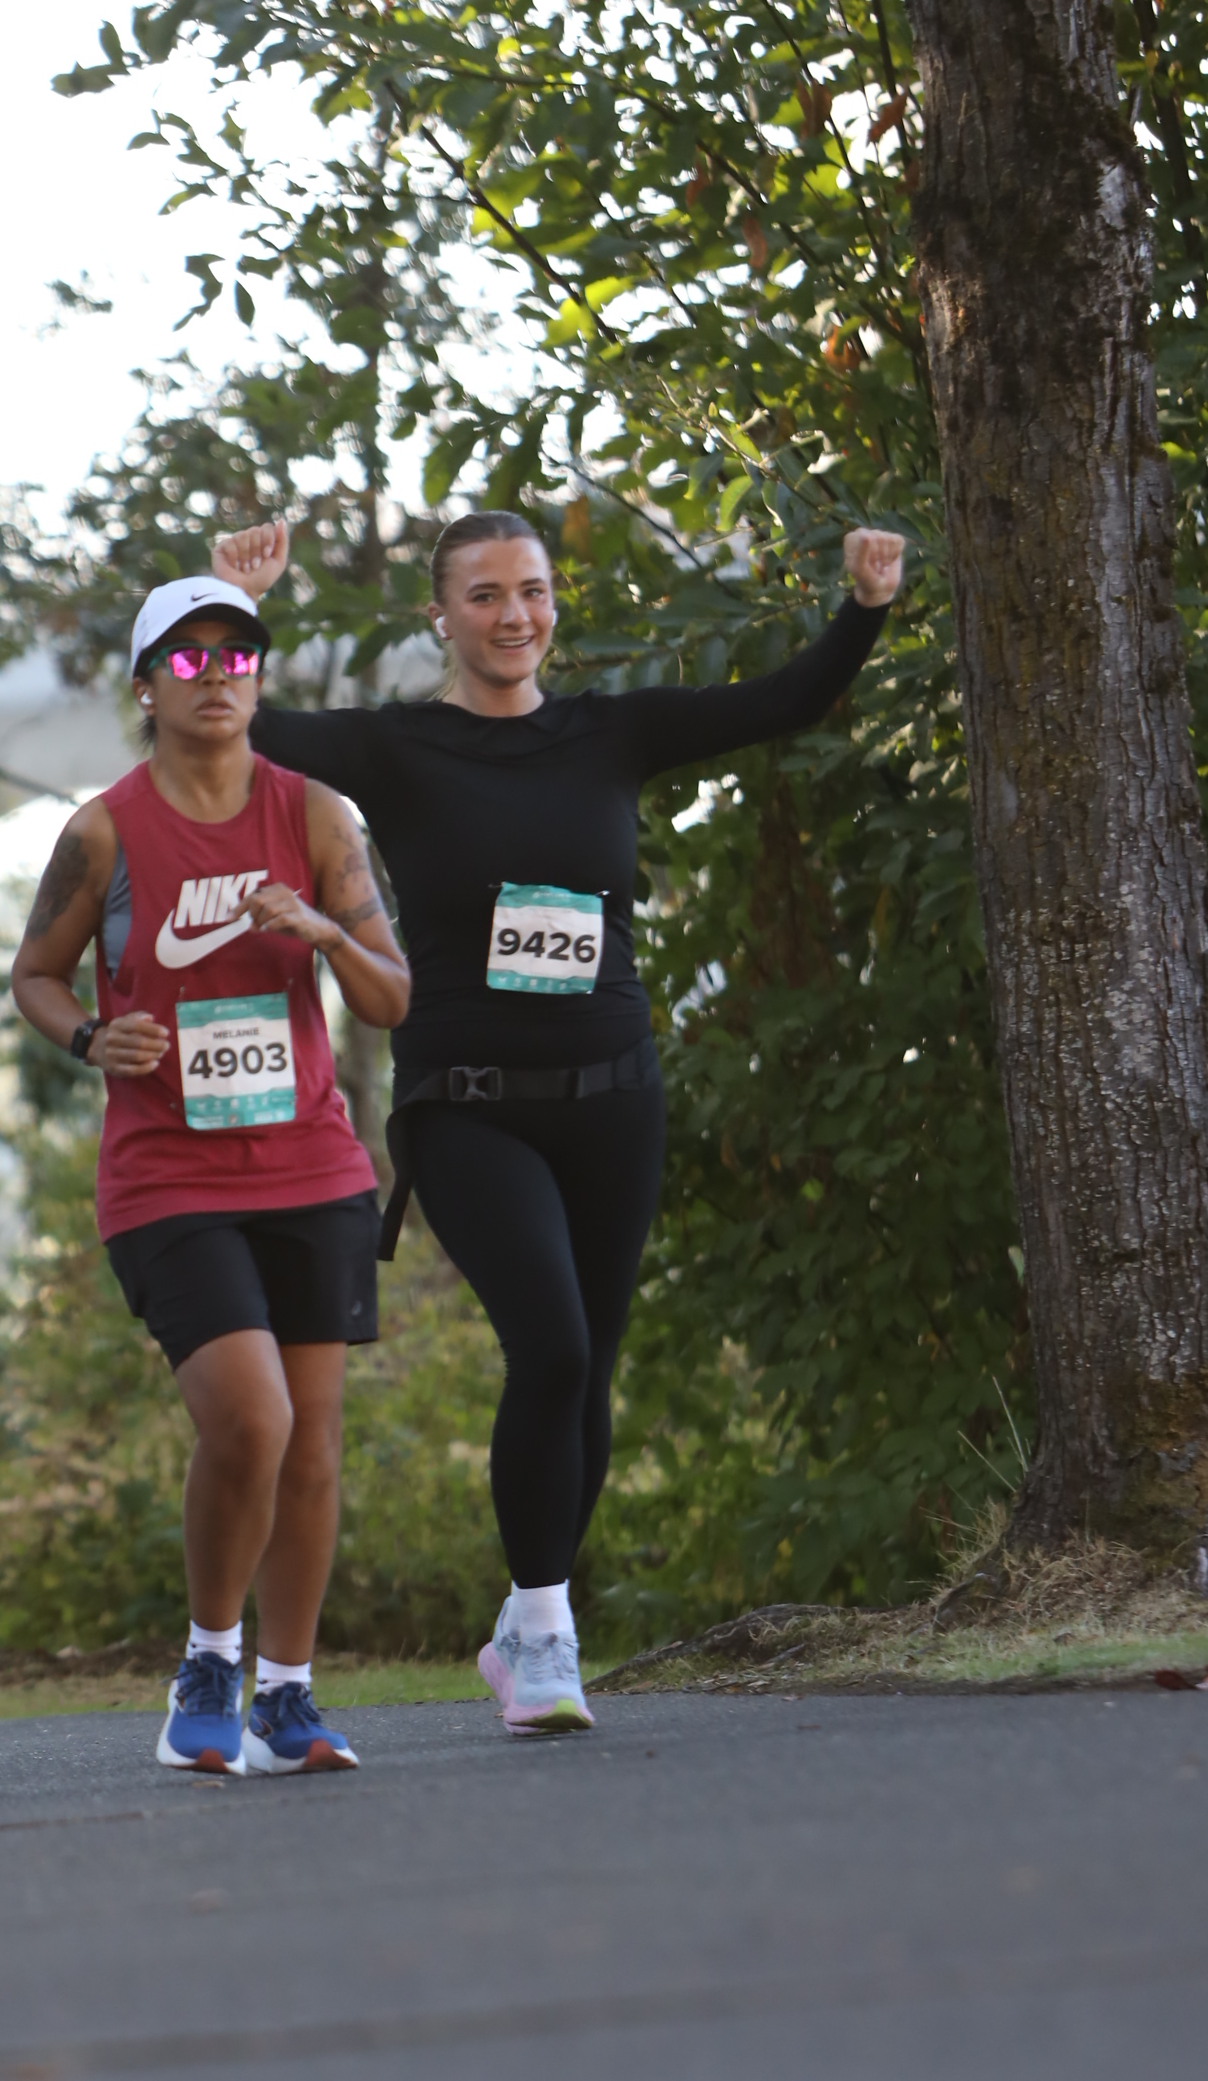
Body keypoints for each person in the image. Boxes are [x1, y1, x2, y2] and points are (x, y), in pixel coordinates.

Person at [216, 509, 907, 1735]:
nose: (512, 616)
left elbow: (784, 702)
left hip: (612, 1098)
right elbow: (247, 722)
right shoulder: (398, 748)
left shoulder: (610, 732)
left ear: (552, 604)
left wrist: (863, 607)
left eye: (530, 591)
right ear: (441, 616)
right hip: (467, 1105)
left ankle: (525, 1624)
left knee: (589, 1365)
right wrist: (240, 607)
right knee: (551, 1348)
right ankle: (543, 1632)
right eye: (483, 595)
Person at [10, 573, 410, 1775]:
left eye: (235, 657)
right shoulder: (103, 832)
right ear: (145, 687)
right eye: (187, 660)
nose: (216, 678)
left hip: (311, 1164)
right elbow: (34, 976)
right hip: (167, 1176)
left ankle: (284, 1698)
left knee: (312, 1444)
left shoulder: (315, 816)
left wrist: (324, 933)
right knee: (250, 1419)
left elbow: (390, 1000)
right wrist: (90, 1035)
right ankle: (207, 1659)